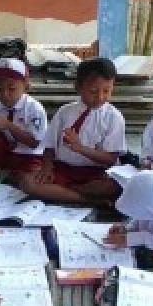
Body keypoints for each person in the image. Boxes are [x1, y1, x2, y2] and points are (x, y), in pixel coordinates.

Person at [18, 57, 128, 205]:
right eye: (93, 91)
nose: (100, 97)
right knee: (27, 182)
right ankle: (90, 200)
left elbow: (110, 159)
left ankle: (64, 192)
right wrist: (47, 167)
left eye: (107, 91)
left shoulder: (114, 117)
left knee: (114, 186)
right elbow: (49, 145)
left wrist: (80, 148)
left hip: (96, 173)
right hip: (64, 169)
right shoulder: (65, 112)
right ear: (78, 87)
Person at [0, 57, 47, 177]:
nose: (5, 94)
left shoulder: (34, 108)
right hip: (5, 151)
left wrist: (8, 125)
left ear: (26, 87)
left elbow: (34, 143)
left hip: (28, 155)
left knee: (28, 177)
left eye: (12, 88)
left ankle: (0, 172)